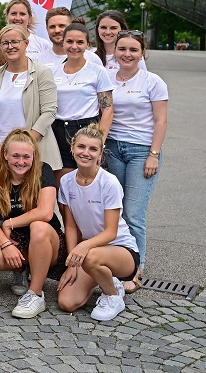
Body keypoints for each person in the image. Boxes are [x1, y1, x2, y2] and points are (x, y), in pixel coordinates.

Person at [104, 30, 168, 290]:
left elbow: (161, 120)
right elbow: (104, 112)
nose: (127, 54)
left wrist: (153, 154)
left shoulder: (153, 81)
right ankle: (115, 260)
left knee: (133, 213)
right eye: (122, 49)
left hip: (142, 151)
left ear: (142, 53)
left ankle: (134, 269)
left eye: (133, 50)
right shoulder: (107, 78)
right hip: (112, 149)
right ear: (115, 52)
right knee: (113, 210)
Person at [56, 125, 140, 322]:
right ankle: (107, 280)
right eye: (81, 147)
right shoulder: (66, 182)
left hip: (121, 251)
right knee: (67, 303)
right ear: (72, 148)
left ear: (100, 154)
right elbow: (70, 226)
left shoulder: (109, 182)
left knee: (91, 256)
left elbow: (111, 232)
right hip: (90, 254)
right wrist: (72, 263)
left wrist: (82, 248)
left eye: (93, 149)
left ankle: (112, 296)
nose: (86, 153)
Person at [0, 129, 66, 319]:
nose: (21, 162)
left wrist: (9, 223)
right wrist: (6, 244)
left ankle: (35, 294)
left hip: (47, 237)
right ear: (4, 154)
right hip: (16, 238)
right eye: (15, 156)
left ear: (34, 156)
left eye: (26, 157)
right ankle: (21, 270)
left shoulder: (43, 170)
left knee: (38, 226)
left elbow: (45, 213)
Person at [0, 24, 59, 176]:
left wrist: (23, 145)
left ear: (26, 43)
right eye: (5, 43)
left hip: (32, 148)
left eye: (15, 42)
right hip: (0, 148)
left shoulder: (42, 72)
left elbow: (49, 112)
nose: (10, 47)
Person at [50, 19, 114, 184]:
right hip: (58, 130)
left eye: (80, 42)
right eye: (69, 41)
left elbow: (107, 109)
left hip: (86, 130)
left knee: (89, 184)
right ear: (63, 43)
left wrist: (99, 142)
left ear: (87, 45)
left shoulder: (97, 71)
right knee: (63, 187)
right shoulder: (53, 72)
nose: (74, 46)